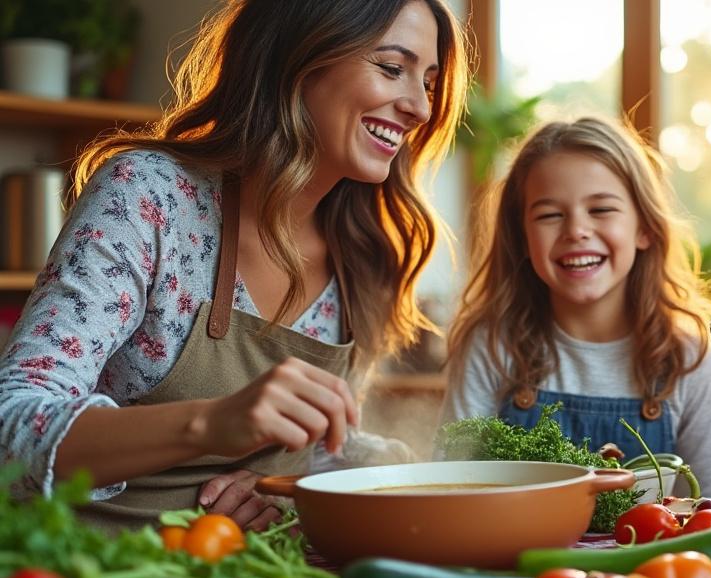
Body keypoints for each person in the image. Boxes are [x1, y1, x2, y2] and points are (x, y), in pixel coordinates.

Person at [0, 0, 469, 529]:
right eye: (391, 68)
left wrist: (291, 488)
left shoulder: (363, 252)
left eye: (428, 83)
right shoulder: (151, 197)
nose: (420, 108)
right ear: (298, 58)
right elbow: (10, 429)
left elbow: (320, 443)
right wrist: (208, 423)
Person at [438, 116, 711, 497]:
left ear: (644, 228)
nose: (576, 230)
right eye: (549, 215)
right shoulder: (491, 346)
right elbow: (449, 487)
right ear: (523, 238)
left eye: (601, 210)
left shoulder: (688, 356)